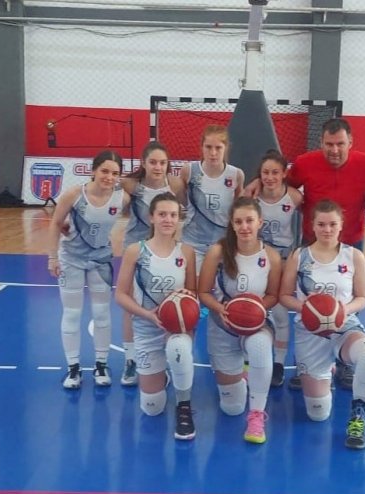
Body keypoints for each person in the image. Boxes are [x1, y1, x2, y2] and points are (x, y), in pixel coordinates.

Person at [246, 117, 365, 390]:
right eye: (329, 144)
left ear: (350, 142)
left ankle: (344, 364)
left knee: (346, 302)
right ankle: (306, 364)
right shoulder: (305, 163)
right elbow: (278, 182)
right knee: (311, 304)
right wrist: (257, 182)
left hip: (351, 245)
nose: (334, 149)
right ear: (321, 143)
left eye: (340, 144)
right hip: (312, 242)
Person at [279, 199, 365, 450]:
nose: (327, 229)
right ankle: (328, 369)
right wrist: (307, 308)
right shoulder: (299, 256)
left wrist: (341, 310)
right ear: (312, 226)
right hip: (309, 331)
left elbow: (363, 298)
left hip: (344, 326)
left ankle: (357, 417)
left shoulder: (354, 256)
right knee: (318, 414)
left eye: (332, 224)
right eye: (322, 224)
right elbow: (284, 296)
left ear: (341, 225)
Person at [114, 192, 198, 440]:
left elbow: (193, 294)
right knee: (152, 408)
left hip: (177, 328)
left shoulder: (187, 252)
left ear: (179, 219)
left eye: (173, 215)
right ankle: (164, 376)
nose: (168, 220)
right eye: (162, 214)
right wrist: (148, 315)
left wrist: (186, 306)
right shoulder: (135, 251)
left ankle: (184, 405)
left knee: (178, 348)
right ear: (151, 217)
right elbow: (120, 295)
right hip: (146, 327)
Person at [198, 197, 282, 444]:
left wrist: (254, 310)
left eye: (249, 221)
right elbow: (203, 292)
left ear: (260, 222)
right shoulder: (218, 252)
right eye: (238, 222)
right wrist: (221, 308)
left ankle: (256, 414)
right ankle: (241, 375)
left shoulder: (272, 256)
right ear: (232, 224)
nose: (244, 226)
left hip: (256, 323)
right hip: (222, 324)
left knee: (260, 346)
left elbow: (273, 295)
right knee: (232, 407)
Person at [47, 150, 130, 389]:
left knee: (102, 313)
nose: (109, 177)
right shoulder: (74, 194)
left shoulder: (122, 198)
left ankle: (101, 365)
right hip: (71, 259)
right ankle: (73, 368)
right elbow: (55, 223)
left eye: (115, 173)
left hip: (101, 261)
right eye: (104, 171)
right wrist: (52, 257)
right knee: (72, 313)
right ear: (93, 170)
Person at [117, 141, 186, 387]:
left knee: (167, 300)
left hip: (165, 247)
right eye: (153, 162)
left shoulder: (175, 184)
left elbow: (185, 211)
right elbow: (104, 197)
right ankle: (130, 359)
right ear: (143, 163)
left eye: (162, 162)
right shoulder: (130, 185)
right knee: (131, 304)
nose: (158, 167)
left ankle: (166, 357)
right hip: (136, 248)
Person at [255, 149, 303, 387]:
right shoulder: (251, 196)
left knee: (282, 314)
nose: (270, 177)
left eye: (275, 172)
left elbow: (309, 221)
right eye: (265, 172)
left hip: (283, 261)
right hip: (257, 262)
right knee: (254, 311)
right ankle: (249, 361)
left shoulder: (294, 197)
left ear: (284, 174)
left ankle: (279, 364)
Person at [180, 124, 245, 272]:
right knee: (192, 285)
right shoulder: (189, 171)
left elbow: (238, 210)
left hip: (222, 244)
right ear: (202, 147)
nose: (213, 153)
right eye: (208, 147)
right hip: (192, 243)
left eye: (218, 148)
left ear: (226, 148)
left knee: (220, 285)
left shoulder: (236, 175)